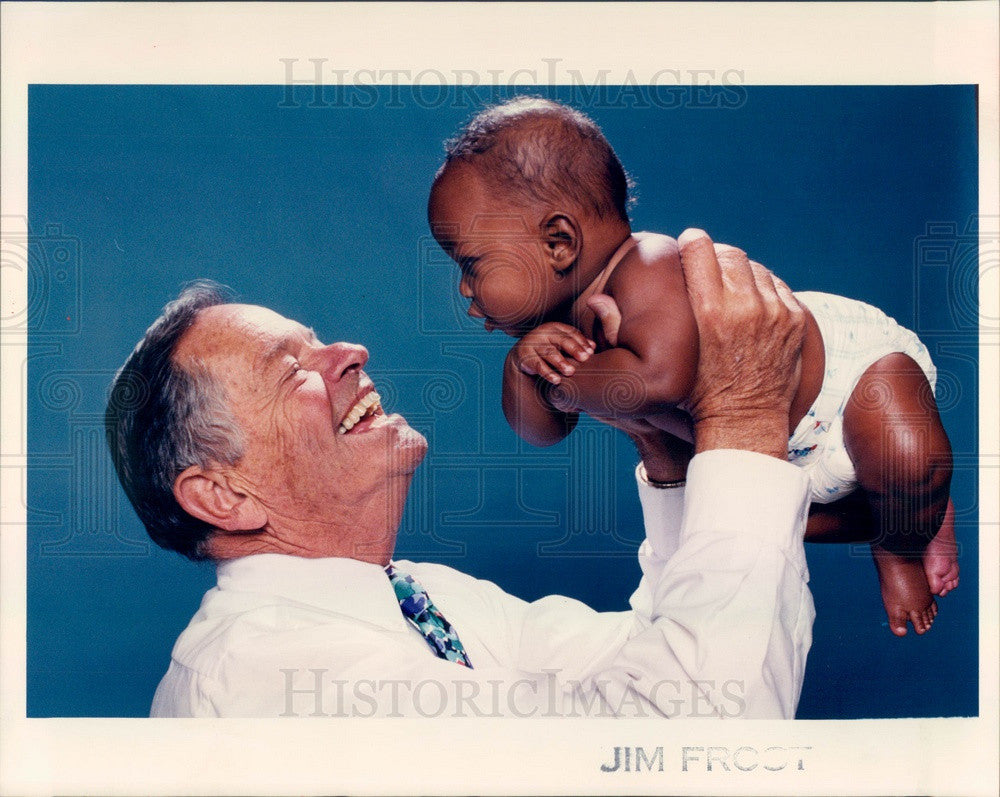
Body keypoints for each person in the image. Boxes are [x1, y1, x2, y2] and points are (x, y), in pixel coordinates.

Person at [106, 233, 815, 719]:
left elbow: (656, 667)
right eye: (292, 369)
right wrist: (745, 413)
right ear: (221, 494)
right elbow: (701, 746)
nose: (351, 351)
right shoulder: (271, 680)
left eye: (321, 340)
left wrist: (668, 459)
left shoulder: (424, 598)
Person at [427, 97, 958, 637]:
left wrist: (560, 388)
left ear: (558, 242)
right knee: (764, 525)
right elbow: (544, 435)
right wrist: (522, 373)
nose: (465, 292)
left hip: (850, 385)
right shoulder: (556, 337)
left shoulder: (646, 266)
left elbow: (660, 379)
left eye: (471, 264)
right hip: (780, 455)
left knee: (907, 455)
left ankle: (900, 548)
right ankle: (916, 513)